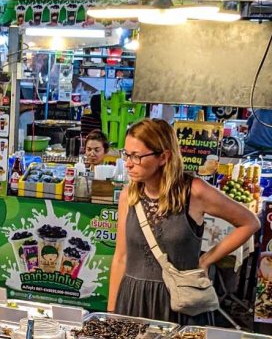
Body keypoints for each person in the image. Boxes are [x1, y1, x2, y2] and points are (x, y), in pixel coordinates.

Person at [108, 118, 259, 323]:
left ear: (164, 157)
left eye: (136, 156)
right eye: (126, 154)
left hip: (179, 302)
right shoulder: (129, 196)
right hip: (133, 299)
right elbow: (120, 258)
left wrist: (207, 260)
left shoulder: (194, 191)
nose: (127, 163)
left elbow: (249, 222)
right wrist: (110, 314)